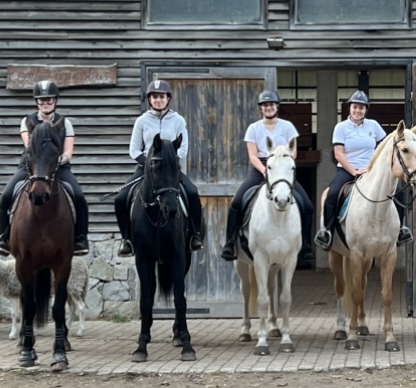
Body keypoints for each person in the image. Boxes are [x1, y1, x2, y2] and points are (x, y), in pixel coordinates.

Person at [220, 90, 316, 269]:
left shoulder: (287, 126)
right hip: (260, 170)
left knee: (307, 206)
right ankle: (230, 243)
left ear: (277, 106)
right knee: (237, 202)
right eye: (265, 105)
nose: (269, 107)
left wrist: (281, 163)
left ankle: (306, 247)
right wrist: (265, 170)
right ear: (261, 108)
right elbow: (252, 155)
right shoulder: (254, 128)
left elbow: (293, 151)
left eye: (272, 104)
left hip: (283, 171)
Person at [0, 80, 90, 256]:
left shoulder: (65, 123)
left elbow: (69, 149)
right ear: (36, 102)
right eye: (42, 100)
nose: (45, 103)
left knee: (79, 197)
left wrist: (63, 157)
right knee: (5, 197)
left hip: (58, 168)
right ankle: (4, 237)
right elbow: (29, 144)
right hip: (30, 168)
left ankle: (81, 238)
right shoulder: (27, 121)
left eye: (49, 100)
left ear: (55, 101)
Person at [114, 80, 204, 257]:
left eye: (161, 97)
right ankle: (127, 240)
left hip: (171, 170)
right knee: (120, 198)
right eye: (154, 97)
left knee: (192, 193)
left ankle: (195, 235)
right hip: (146, 169)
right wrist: (148, 164)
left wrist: (169, 163)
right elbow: (133, 149)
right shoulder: (141, 121)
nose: (158, 100)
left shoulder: (178, 120)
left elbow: (184, 147)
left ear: (168, 98)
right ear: (149, 99)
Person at [314, 90, 413, 251]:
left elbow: (386, 146)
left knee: (398, 193)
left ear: (366, 110)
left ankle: (401, 229)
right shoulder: (341, 127)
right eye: (355, 107)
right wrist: (354, 171)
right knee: (332, 194)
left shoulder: (373, 126)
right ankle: (327, 232)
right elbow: (338, 154)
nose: (358, 111)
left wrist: (373, 168)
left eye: (361, 108)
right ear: (349, 108)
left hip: (371, 170)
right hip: (347, 169)